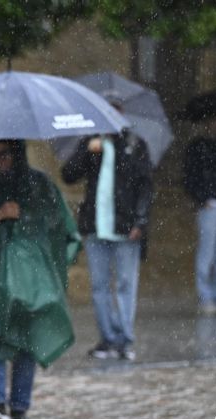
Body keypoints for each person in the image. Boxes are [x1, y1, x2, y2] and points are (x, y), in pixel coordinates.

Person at [0, 140, 80, 419]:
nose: (2, 160)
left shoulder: (38, 185)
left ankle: (20, 405)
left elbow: (57, 224)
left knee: (26, 336)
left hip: (29, 278)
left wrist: (23, 217)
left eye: (7, 153)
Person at [62, 128, 153, 361]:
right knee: (99, 286)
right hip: (96, 226)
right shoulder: (90, 144)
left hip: (125, 227)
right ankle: (107, 338)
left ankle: (124, 339)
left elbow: (145, 184)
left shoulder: (134, 145)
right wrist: (86, 151)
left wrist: (140, 221)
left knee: (125, 284)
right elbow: (69, 174)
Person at [183, 117, 216, 316]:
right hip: (209, 205)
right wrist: (201, 198)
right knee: (207, 253)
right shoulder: (197, 148)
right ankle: (205, 296)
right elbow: (189, 176)